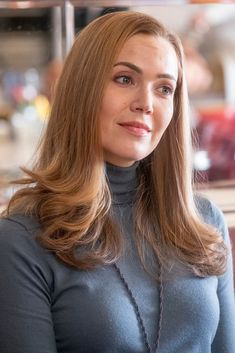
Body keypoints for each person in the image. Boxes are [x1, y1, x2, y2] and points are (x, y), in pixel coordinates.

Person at [0, 11, 234, 353]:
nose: (146, 104)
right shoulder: (23, 240)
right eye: (125, 79)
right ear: (82, 89)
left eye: (164, 88)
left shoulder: (204, 224)